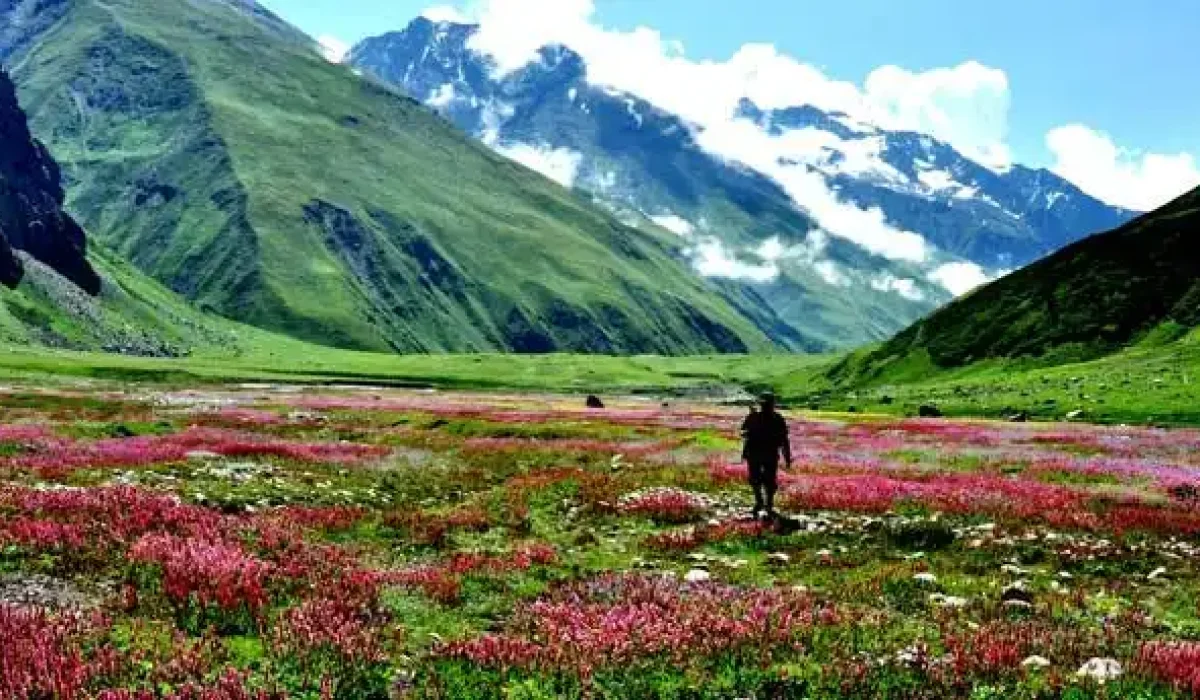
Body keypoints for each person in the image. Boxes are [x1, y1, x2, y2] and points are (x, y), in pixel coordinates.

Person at [740, 392, 792, 520]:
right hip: (765, 454)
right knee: (764, 480)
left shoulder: (756, 417)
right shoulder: (776, 418)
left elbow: (743, 432)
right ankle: (765, 504)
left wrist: (787, 457)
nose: (765, 406)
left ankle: (763, 503)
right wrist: (787, 457)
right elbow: (784, 440)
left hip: (758, 453)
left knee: (759, 480)